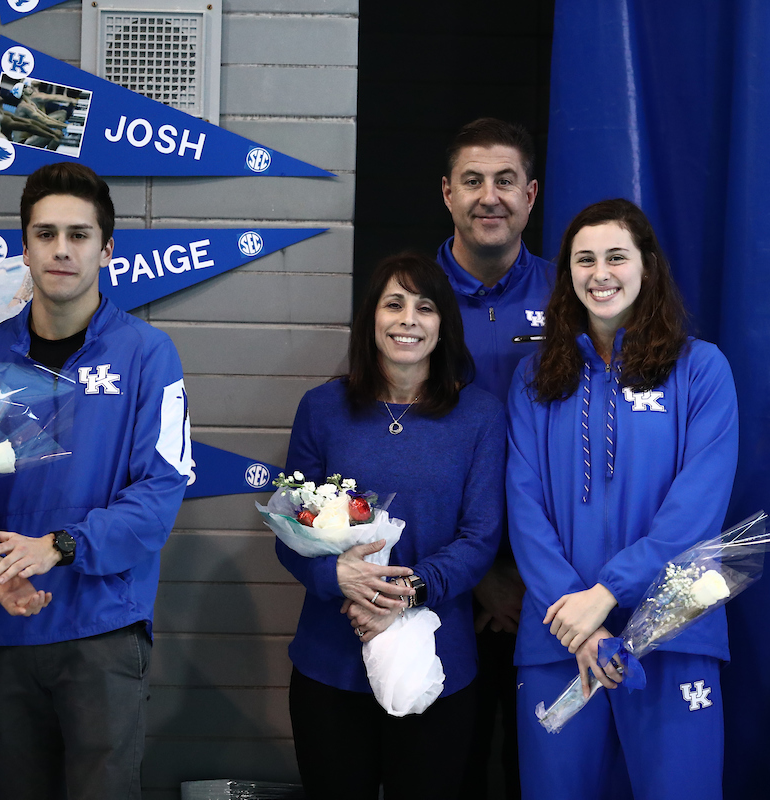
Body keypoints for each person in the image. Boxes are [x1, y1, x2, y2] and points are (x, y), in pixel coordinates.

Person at [508, 198, 739, 799]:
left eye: (616, 256)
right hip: (558, 638)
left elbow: (696, 511)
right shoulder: (534, 381)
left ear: (647, 267)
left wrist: (607, 595)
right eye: (584, 260)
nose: (600, 273)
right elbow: (525, 507)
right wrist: (576, 619)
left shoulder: (701, 370)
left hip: (671, 631)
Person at [0, 163, 193, 799]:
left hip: (102, 632)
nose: (60, 249)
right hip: (1, 630)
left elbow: (158, 496)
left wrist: (58, 547)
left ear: (107, 250)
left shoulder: (146, 354)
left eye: (79, 235)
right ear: (23, 247)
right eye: (45, 234)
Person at [277, 253, 505, 798]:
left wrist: (399, 591)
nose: (408, 320)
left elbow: (480, 539)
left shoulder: (480, 416)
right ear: (371, 319)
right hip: (331, 662)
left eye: (425, 307)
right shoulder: (322, 408)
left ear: (443, 324)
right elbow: (289, 530)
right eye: (394, 304)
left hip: (435, 662)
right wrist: (339, 579)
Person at [437, 117, 554, 798]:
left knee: (532, 777)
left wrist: (526, 576)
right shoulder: (408, 300)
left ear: (531, 194)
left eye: (505, 181)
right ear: (447, 193)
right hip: (443, 588)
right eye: (473, 181)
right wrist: (478, 574)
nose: (490, 197)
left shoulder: (571, 298)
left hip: (550, 590)